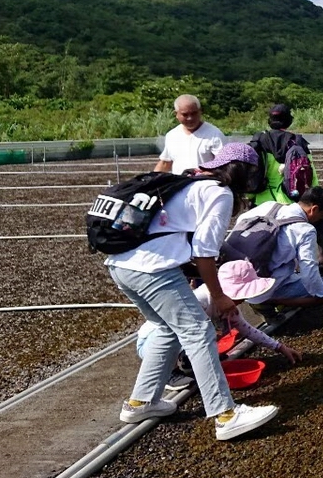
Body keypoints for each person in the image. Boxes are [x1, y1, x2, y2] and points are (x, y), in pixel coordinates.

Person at [105, 142, 279, 441]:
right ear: (244, 173)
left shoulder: (191, 180)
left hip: (121, 265)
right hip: (153, 268)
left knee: (165, 328)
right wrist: (220, 294)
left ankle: (140, 402)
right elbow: (204, 251)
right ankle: (226, 415)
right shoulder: (219, 192)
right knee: (198, 331)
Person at [137, 259, 303, 391]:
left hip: (187, 342)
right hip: (154, 344)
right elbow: (180, 333)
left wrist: (279, 347)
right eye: (241, 297)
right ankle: (169, 373)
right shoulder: (199, 301)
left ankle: (189, 364)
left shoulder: (227, 308)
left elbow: (248, 330)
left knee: (211, 337)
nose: (242, 301)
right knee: (198, 337)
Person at [235, 187, 323, 315]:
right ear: (314, 209)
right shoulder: (305, 230)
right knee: (321, 290)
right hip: (265, 285)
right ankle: (269, 301)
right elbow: (309, 271)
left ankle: (263, 299)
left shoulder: (269, 205)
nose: (321, 219)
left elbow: (240, 222)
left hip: (238, 277)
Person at [248, 104, 319, 204]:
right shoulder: (297, 142)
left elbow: (251, 171)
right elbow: (311, 175)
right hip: (290, 200)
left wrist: (250, 195)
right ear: (288, 120)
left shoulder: (258, 141)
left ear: (270, 120)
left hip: (261, 200)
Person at [154, 94, 226, 175]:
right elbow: (165, 163)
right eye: (185, 114)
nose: (190, 118)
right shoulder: (172, 135)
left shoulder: (214, 134)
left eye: (194, 113)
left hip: (205, 184)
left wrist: (201, 174)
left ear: (200, 111)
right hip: (179, 185)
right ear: (176, 114)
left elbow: (223, 166)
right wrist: (151, 181)